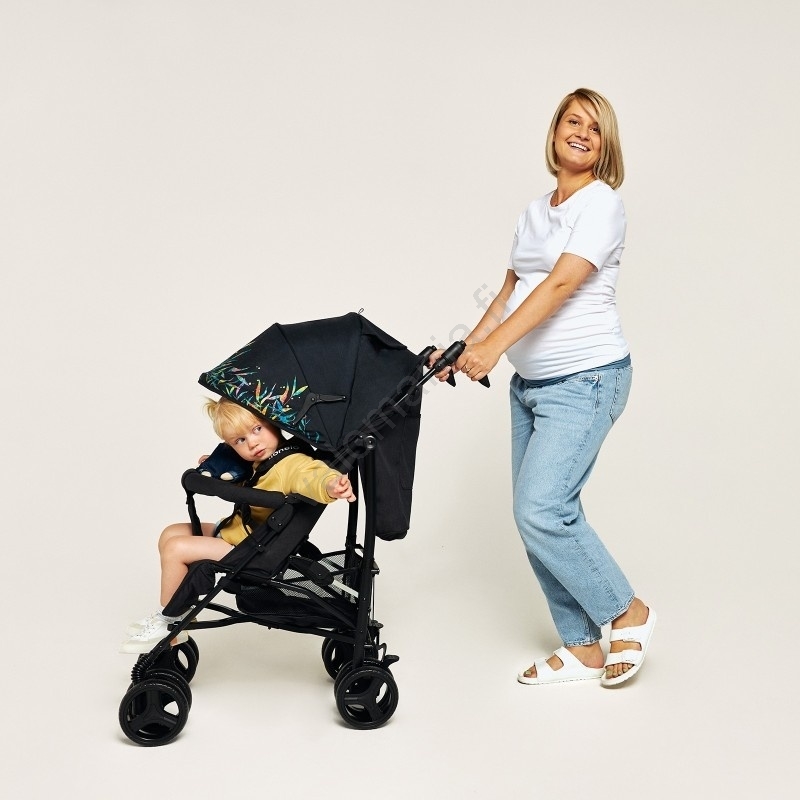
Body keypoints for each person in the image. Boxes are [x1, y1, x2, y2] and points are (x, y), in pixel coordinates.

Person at [433, 88, 655, 687]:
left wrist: (493, 350)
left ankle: (627, 611)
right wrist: (462, 350)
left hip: (587, 380)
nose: (582, 132)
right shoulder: (534, 212)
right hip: (531, 388)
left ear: (605, 146)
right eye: (572, 121)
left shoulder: (603, 204)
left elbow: (559, 285)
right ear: (555, 132)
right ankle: (581, 647)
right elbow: (510, 292)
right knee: (537, 514)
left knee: (541, 509)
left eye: (595, 128)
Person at [120, 397, 356, 654]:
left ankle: (170, 623)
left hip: (251, 548)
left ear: (274, 423)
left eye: (257, 429)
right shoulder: (263, 462)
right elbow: (253, 483)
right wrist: (215, 468)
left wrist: (331, 485)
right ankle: (183, 610)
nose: (252, 443)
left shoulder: (293, 463)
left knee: (176, 548)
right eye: (239, 440)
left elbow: (313, 476)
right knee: (170, 533)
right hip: (240, 532)